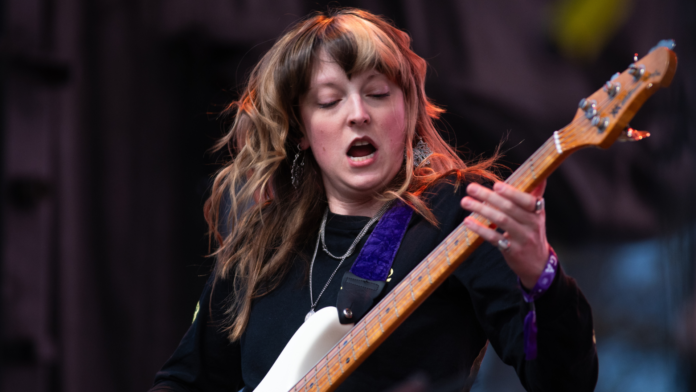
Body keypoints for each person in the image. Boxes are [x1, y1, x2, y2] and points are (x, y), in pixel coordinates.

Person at [149, 8, 597, 392]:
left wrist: (540, 275)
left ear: (408, 110)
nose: (358, 114)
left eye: (378, 94)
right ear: (301, 132)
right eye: (329, 101)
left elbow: (563, 381)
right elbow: (184, 379)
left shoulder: (458, 215)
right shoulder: (261, 244)